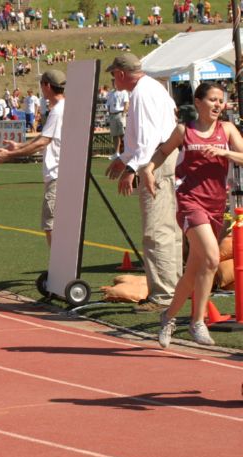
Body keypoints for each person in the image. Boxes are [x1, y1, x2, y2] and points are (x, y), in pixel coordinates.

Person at [142, 83, 243, 347]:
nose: (218, 104)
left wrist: (225, 152)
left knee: (195, 269)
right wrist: (149, 169)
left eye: (221, 100)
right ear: (198, 102)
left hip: (216, 205)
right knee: (211, 256)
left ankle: (168, 316)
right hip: (190, 202)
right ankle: (197, 321)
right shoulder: (184, 131)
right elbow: (163, 151)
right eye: (212, 99)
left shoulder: (228, 130)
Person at [106, 53, 181, 313]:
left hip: (155, 162)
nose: (113, 79)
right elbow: (145, 135)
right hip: (163, 158)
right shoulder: (152, 88)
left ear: (121, 74)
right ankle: (174, 287)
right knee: (169, 229)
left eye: (113, 74)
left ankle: (163, 295)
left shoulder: (141, 94)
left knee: (156, 230)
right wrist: (125, 158)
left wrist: (131, 168)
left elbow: (147, 139)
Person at [0, 69, 66, 247]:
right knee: (56, 223)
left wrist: (9, 155)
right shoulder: (62, 108)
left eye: (41, 84)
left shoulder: (57, 111)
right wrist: (19, 146)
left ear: (47, 86)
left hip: (57, 173)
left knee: (51, 224)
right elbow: (44, 138)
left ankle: (58, 266)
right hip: (59, 172)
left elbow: (43, 142)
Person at [106, 80, 129, 159]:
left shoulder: (124, 92)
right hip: (112, 115)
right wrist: (109, 113)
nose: (114, 84)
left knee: (123, 134)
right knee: (115, 135)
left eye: (115, 82)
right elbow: (108, 104)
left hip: (120, 114)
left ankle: (126, 151)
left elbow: (126, 103)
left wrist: (124, 114)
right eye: (113, 82)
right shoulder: (110, 93)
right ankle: (116, 153)